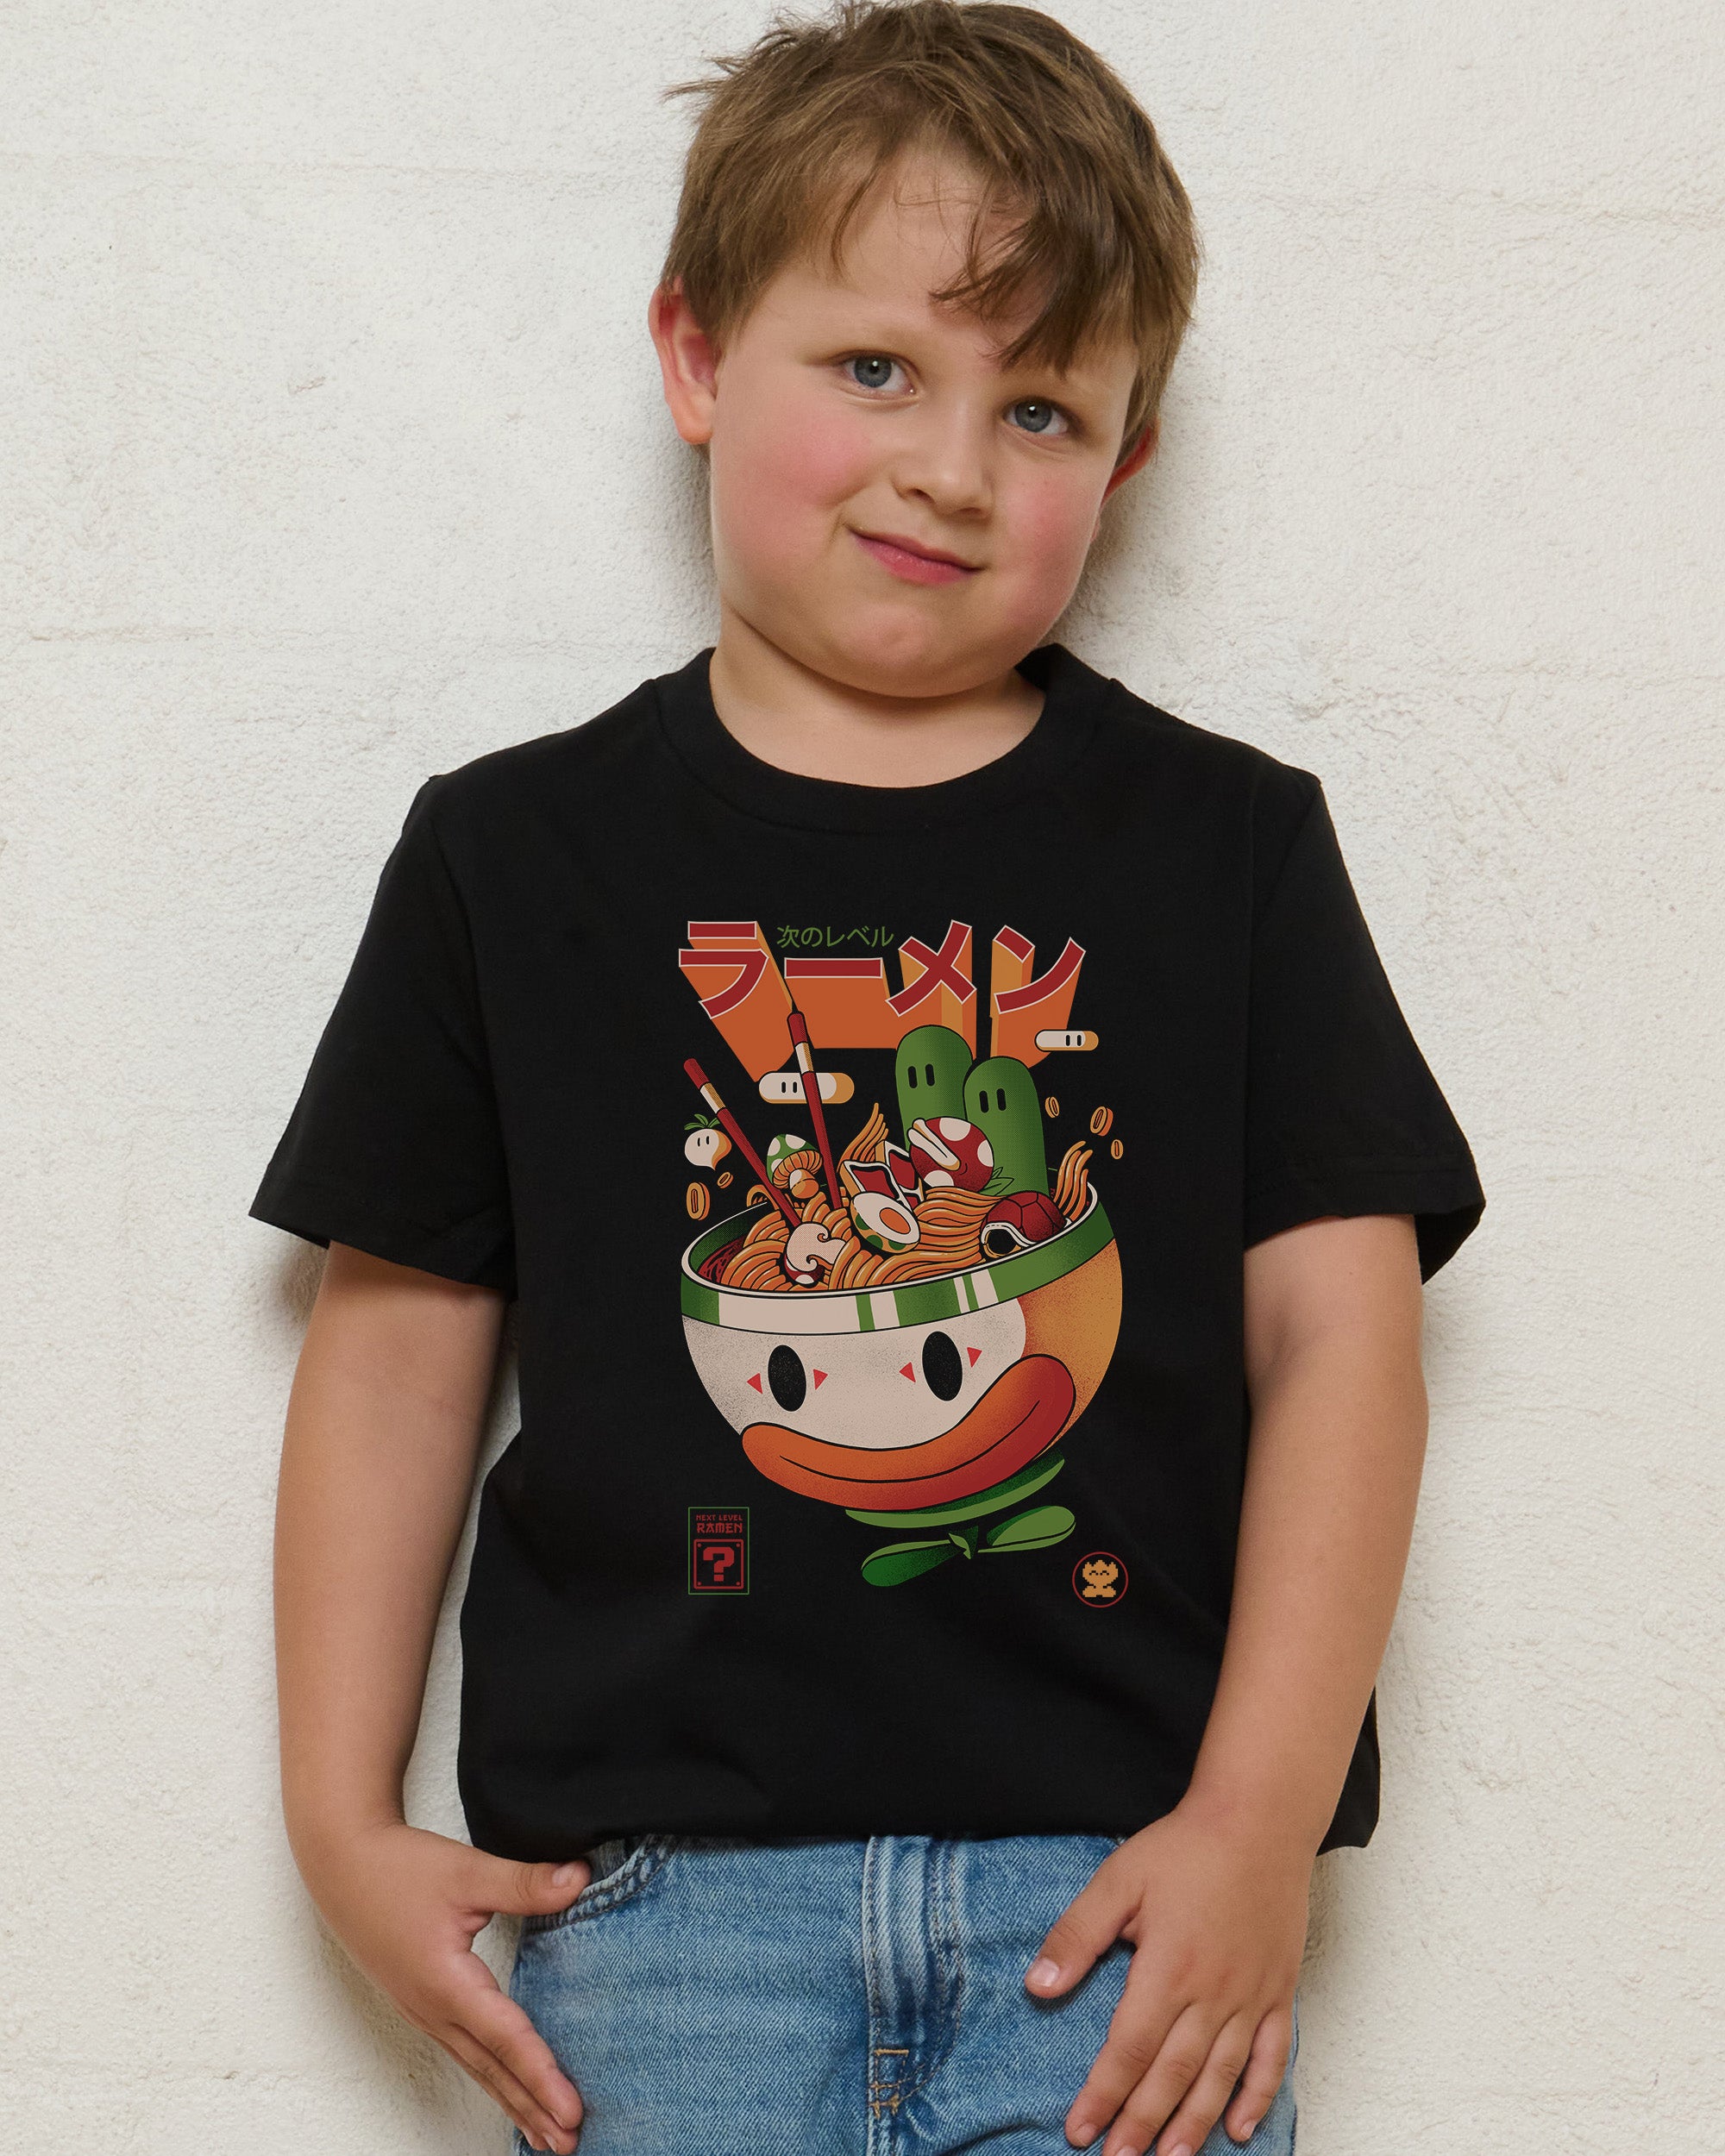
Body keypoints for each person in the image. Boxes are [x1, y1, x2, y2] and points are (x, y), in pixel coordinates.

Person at [253, 5, 1485, 2153]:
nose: (951, 466)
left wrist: (1257, 1820)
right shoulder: (509, 854)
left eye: (1041, 406)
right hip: (661, 1925)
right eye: (876, 368)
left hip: (1119, 1918)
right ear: (697, 356)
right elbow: (392, 1355)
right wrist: (337, 1818)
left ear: (1125, 463)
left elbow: (1341, 1341)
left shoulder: (1231, 848)